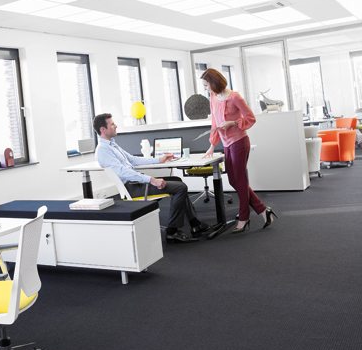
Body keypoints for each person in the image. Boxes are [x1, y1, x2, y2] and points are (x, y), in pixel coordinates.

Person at [93, 114, 210, 243]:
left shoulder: (112, 145)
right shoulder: (103, 150)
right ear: (103, 129)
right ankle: (172, 232)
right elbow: (123, 172)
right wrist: (152, 180)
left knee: (177, 180)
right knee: (180, 188)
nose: (116, 126)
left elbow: (133, 159)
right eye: (112, 124)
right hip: (132, 188)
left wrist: (159, 159)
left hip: (136, 183)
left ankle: (195, 224)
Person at [200, 68, 278, 233]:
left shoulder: (235, 97)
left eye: (206, 85)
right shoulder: (213, 97)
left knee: (240, 181)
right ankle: (263, 209)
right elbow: (214, 122)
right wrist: (212, 144)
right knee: (233, 181)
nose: (205, 89)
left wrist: (234, 123)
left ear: (214, 82)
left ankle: (244, 218)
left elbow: (251, 118)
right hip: (226, 144)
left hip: (239, 142)